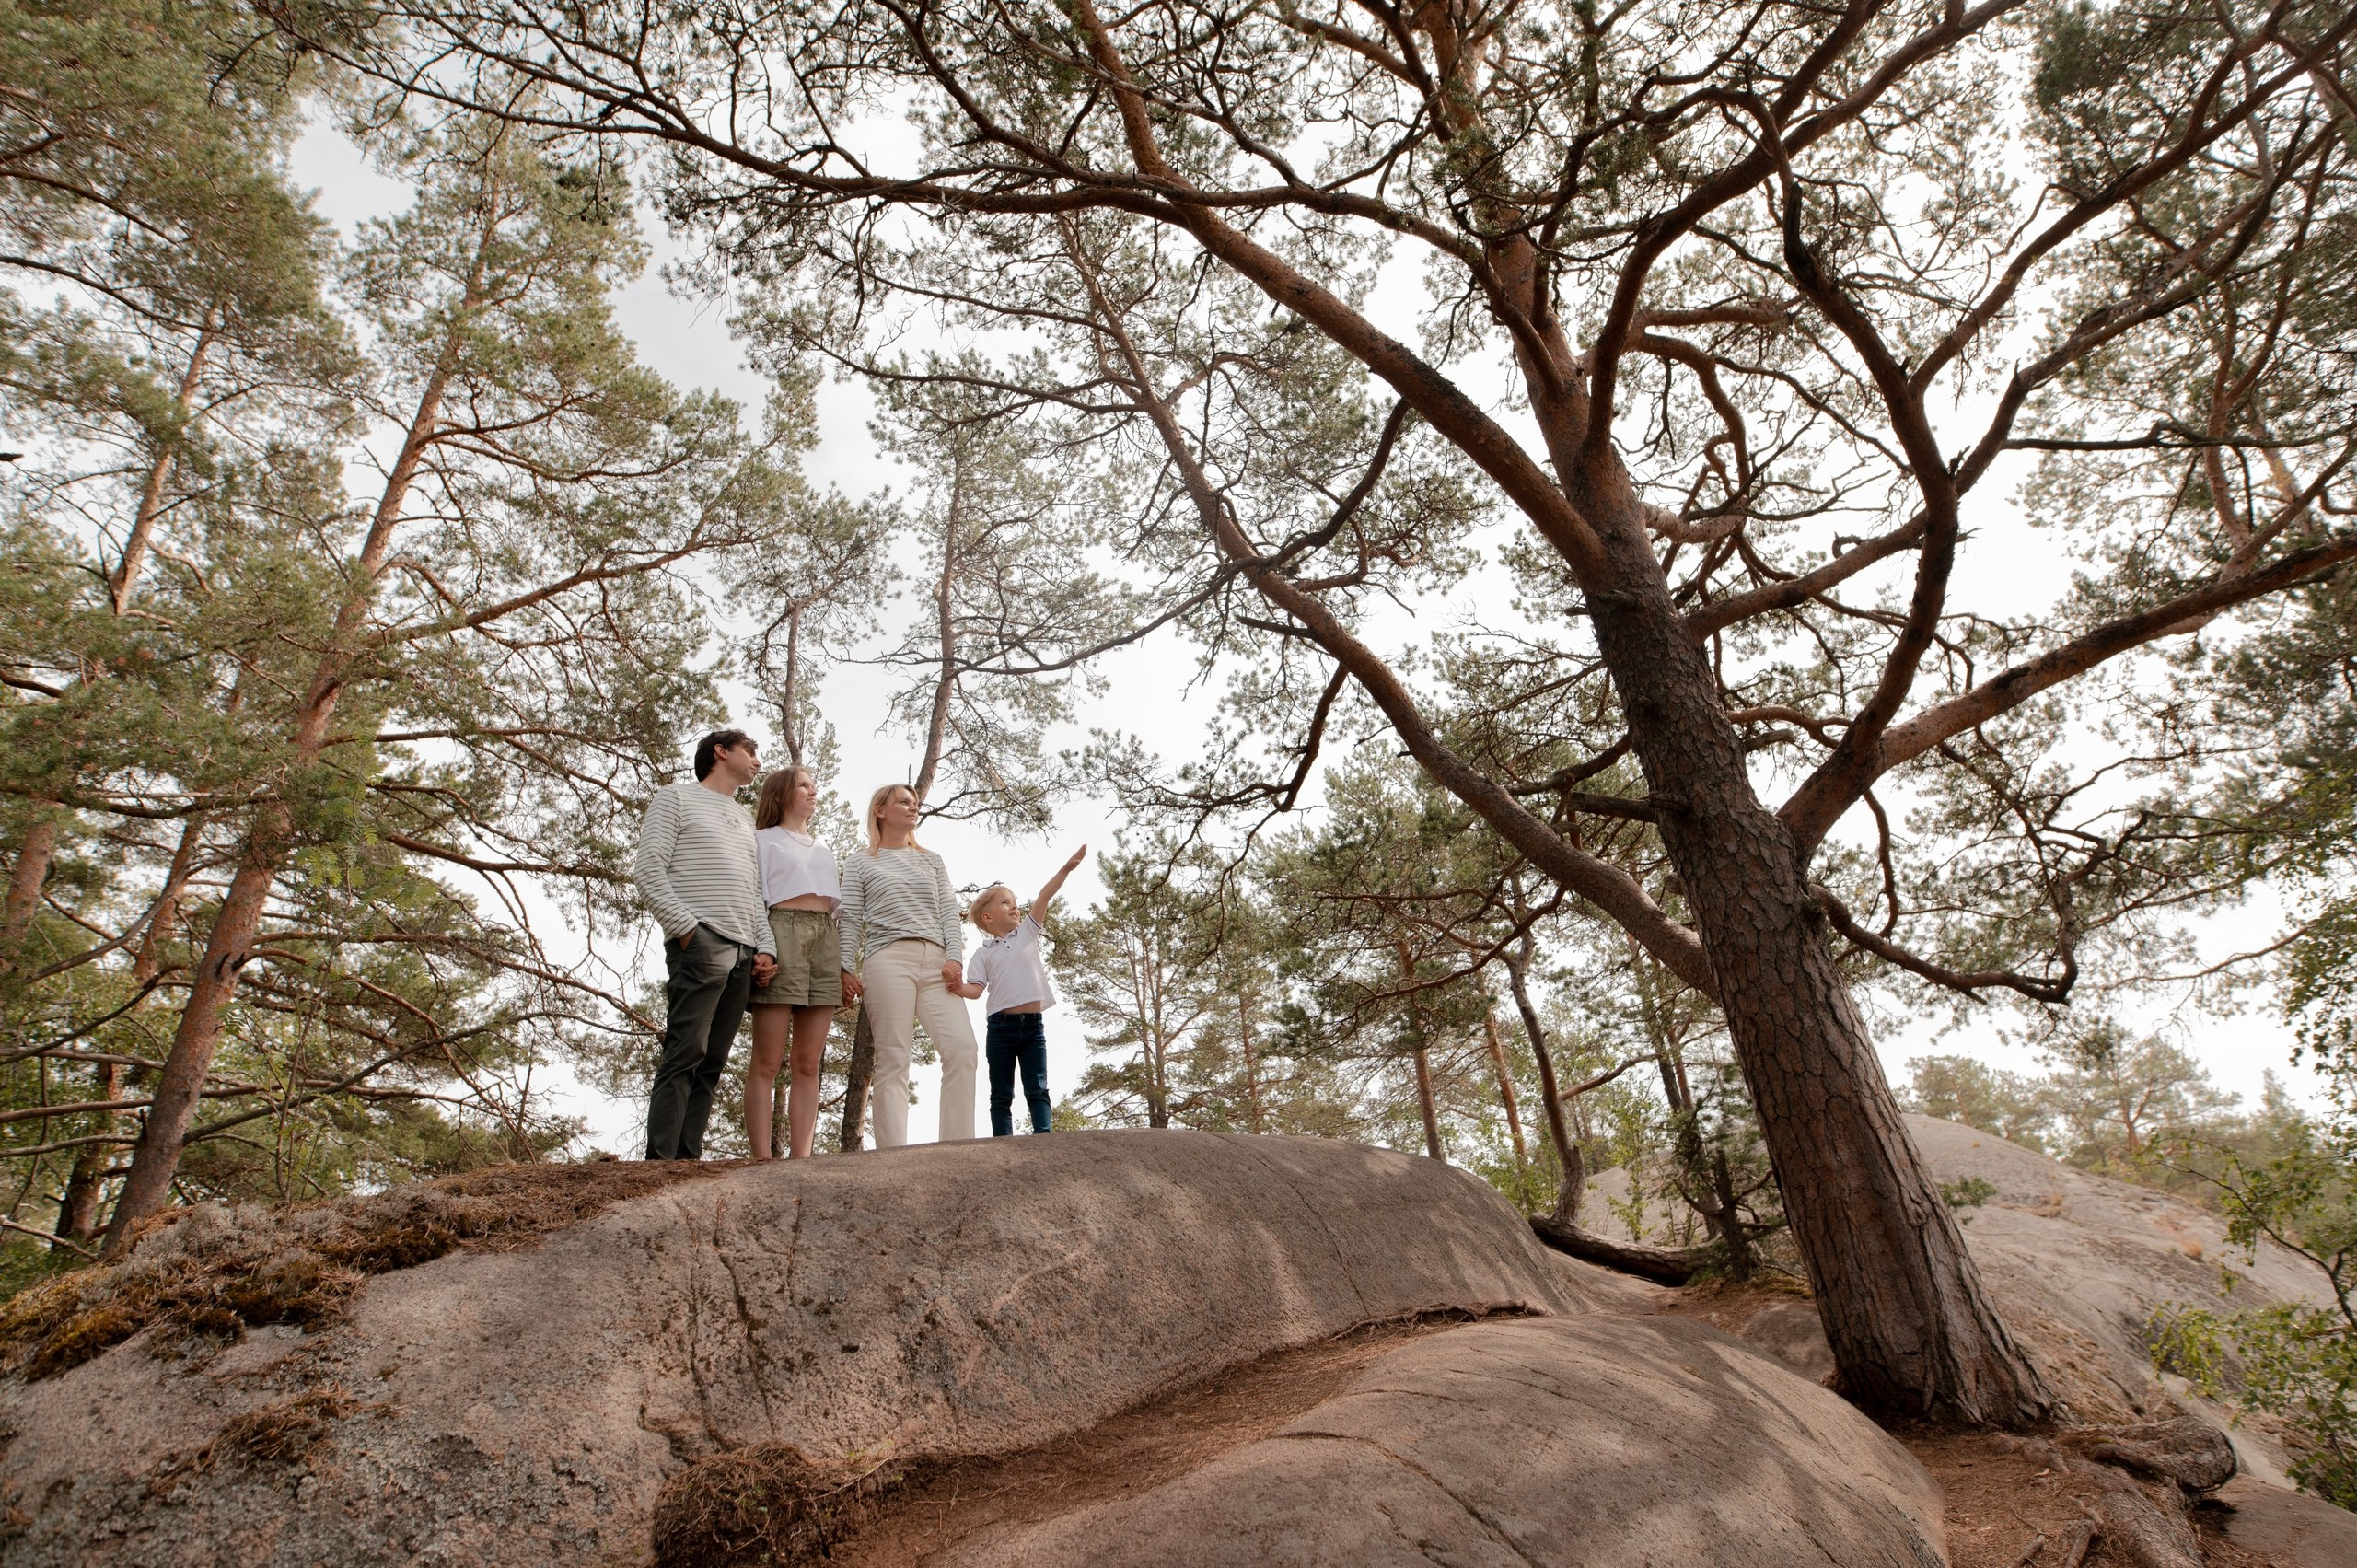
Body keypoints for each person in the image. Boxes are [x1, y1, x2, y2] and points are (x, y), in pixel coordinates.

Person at [633, 729, 776, 1160]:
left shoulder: (743, 818)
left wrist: (764, 947)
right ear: (721, 751)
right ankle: (660, 1163)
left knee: (713, 1059)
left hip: (743, 951)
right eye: (750, 752)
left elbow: (753, 891)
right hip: (702, 941)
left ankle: (687, 1161)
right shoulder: (674, 798)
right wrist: (688, 930)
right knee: (685, 1051)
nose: (756, 761)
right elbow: (648, 871)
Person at [838, 784, 978, 1146]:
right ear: (880, 810)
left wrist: (954, 958)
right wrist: (844, 967)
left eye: (916, 803)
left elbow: (949, 910)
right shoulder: (860, 861)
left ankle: (958, 1146)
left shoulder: (931, 860)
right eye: (904, 801)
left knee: (962, 1048)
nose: (913, 808)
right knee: (894, 1057)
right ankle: (893, 1154)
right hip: (887, 960)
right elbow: (851, 918)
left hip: (936, 964)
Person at [745, 765, 849, 1160]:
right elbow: (756, 898)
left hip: (825, 938)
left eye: (814, 786)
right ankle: (761, 1158)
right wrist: (764, 946)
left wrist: (843, 965)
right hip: (781, 932)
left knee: (808, 1062)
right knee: (768, 1060)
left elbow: (837, 914)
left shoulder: (823, 849)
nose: (813, 791)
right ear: (783, 793)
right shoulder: (762, 840)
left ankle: (801, 1159)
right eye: (804, 785)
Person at [952, 844, 1087, 1137]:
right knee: (1001, 1092)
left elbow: (1044, 896)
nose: (1014, 906)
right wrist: (956, 987)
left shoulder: (1027, 931)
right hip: (1000, 1029)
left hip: (1033, 1028)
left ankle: (1043, 1135)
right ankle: (1003, 1142)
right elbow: (975, 990)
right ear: (987, 918)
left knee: (1037, 1085)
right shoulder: (983, 954)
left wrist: (1066, 868)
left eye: (1014, 901)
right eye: (1005, 903)